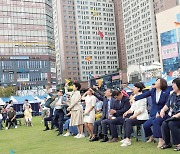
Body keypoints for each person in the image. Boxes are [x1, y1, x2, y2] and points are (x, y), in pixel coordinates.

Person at [131, 78, 170, 148]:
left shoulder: (166, 92)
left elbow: (167, 104)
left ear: (161, 84)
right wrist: (134, 98)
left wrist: (160, 112)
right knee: (145, 125)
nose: (155, 82)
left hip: (163, 114)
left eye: (157, 81)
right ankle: (151, 136)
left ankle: (161, 140)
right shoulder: (153, 91)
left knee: (156, 122)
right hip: (154, 113)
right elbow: (144, 95)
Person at [120, 82, 149, 147]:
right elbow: (132, 108)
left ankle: (128, 139)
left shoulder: (142, 97)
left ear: (138, 89)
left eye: (134, 87)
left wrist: (133, 116)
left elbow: (142, 109)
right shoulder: (135, 97)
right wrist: (127, 112)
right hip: (136, 116)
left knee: (129, 121)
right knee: (126, 120)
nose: (133, 89)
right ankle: (126, 137)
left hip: (142, 117)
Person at [160, 78, 180, 151]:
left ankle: (178, 143)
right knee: (164, 124)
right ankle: (167, 143)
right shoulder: (172, 94)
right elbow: (167, 104)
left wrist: (177, 115)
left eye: (174, 85)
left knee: (172, 124)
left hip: (178, 117)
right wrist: (162, 110)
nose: (172, 86)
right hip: (173, 116)